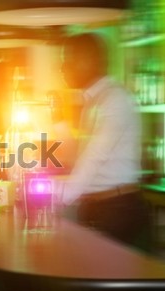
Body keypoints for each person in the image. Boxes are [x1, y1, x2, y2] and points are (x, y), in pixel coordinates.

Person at [57, 33, 150, 251]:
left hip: (119, 210)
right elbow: (78, 157)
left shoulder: (114, 99)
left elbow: (94, 157)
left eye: (68, 59)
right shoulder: (93, 101)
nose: (63, 67)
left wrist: (58, 198)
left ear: (90, 60)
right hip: (99, 208)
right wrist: (58, 120)